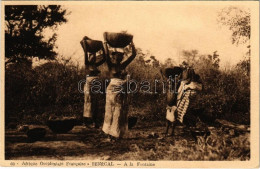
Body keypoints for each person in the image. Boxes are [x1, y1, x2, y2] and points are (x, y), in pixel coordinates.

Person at [102, 40, 136, 141]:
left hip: (120, 89)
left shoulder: (123, 65)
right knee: (109, 110)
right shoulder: (110, 65)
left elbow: (133, 55)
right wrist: (105, 43)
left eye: (121, 56)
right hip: (111, 89)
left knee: (118, 111)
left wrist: (132, 43)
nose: (120, 57)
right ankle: (108, 133)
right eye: (118, 55)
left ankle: (115, 134)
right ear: (114, 57)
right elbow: (106, 54)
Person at [80, 36, 106, 128]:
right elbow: (85, 52)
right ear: (89, 57)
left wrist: (102, 46)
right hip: (89, 83)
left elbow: (104, 57)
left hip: (96, 83)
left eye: (94, 56)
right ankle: (86, 122)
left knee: (95, 102)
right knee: (88, 102)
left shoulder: (96, 64)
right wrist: (85, 44)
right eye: (91, 56)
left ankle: (95, 122)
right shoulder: (87, 64)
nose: (93, 57)